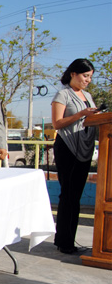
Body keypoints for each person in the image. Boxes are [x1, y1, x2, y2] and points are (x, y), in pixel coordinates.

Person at [51, 58, 98, 254]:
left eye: (90, 77)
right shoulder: (63, 94)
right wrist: (81, 114)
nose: (87, 80)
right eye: (85, 76)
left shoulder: (87, 95)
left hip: (84, 149)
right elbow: (57, 123)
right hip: (67, 148)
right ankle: (63, 241)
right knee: (68, 195)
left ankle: (71, 237)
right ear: (73, 74)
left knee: (76, 196)